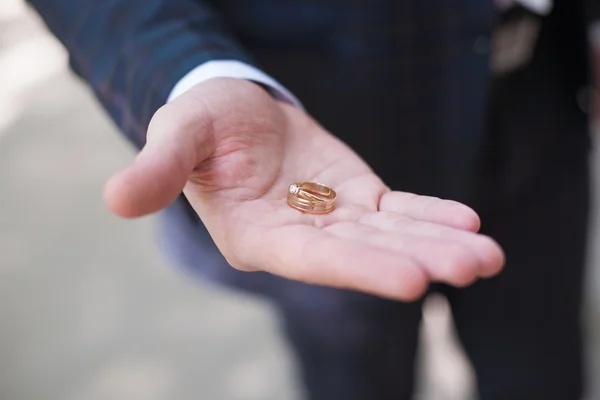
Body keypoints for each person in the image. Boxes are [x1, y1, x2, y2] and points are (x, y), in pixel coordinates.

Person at [27, 0, 597, 399]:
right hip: (316, 124)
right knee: (354, 379)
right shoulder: (308, 192)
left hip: (541, 113)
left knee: (540, 371)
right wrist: (191, 70)